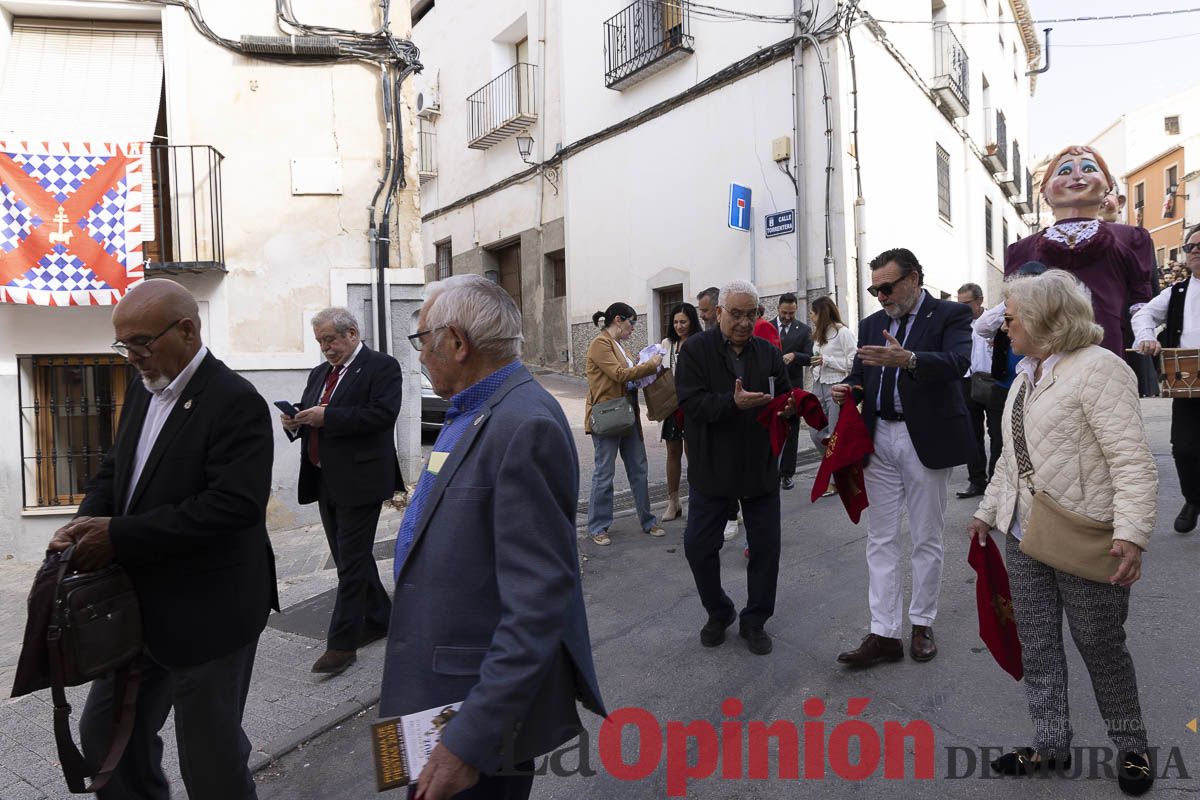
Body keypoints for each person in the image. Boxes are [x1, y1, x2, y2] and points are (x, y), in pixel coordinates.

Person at [48, 280, 277, 799]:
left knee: (210, 759)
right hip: (136, 606)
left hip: (212, 610)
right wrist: (85, 522)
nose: (132, 357)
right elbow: (116, 469)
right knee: (105, 737)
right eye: (124, 345)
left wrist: (119, 536)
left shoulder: (235, 401)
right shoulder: (143, 389)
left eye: (141, 343)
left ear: (188, 330)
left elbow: (233, 508)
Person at [382, 274, 604, 800]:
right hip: (434, 688)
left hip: (471, 715)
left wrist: (469, 742)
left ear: (457, 344)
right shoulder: (472, 409)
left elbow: (538, 603)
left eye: (422, 341)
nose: (418, 357)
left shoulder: (524, 424)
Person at [968, 269, 1156, 796]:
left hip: (1083, 534)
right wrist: (987, 513)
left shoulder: (1100, 369)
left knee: (1100, 644)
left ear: (1044, 319)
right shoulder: (1027, 373)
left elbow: (1131, 460)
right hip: (1025, 535)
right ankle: (1050, 744)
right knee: (1038, 644)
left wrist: (1133, 532)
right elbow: (1012, 459)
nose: (1005, 327)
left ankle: (1131, 746)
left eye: (1011, 318)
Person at [833, 248, 972, 667]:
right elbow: (862, 375)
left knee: (926, 535)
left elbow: (958, 363)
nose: (881, 296)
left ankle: (922, 622)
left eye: (888, 287)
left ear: (913, 278)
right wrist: (848, 388)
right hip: (880, 439)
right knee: (880, 538)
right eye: (875, 289)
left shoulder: (949, 314)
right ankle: (884, 633)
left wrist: (909, 360)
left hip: (923, 438)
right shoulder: (872, 324)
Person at [675, 279, 796, 655]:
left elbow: (785, 398)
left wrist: (790, 410)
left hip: (758, 466)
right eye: (736, 314)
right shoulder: (695, 349)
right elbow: (691, 404)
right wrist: (733, 403)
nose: (744, 322)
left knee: (765, 549)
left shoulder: (768, 353)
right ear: (719, 313)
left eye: (751, 314)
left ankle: (755, 619)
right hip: (712, 466)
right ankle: (719, 610)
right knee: (698, 547)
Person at [281, 307, 404, 675]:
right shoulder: (321, 373)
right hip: (324, 478)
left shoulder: (382, 366)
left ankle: (342, 644)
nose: (325, 348)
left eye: (330, 340)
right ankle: (382, 617)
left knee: (349, 563)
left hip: (362, 480)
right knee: (352, 555)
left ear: (351, 334)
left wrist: (327, 416)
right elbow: (313, 415)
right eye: (320, 341)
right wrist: (296, 420)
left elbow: (382, 415)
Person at [1004, 144, 1154, 358]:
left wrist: (1144, 334)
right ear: (1045, 191)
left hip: (1105, 348)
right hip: (1044, 351)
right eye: (1065, 171)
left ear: (1107, 187)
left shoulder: (1132, 238)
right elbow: (1012, 308)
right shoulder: (1021, 249)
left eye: (1088, 169)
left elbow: (1141, 300)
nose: (1076, 176)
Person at [1133, 223, 1200, 533]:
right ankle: (1193, 498)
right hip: (1187, 381)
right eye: (1191, 247)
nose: (1195, 250)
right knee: (1184, 448)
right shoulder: (1178, 291)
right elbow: (1143, 314)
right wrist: (1147, 337)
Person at [584, 302, 665, 545]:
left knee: (639, 469)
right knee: (604, 472)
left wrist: (652, 370)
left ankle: (648, 521)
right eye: (632, 322)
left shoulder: (620, 346)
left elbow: (630, 377)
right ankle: (598, 526)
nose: (633, 328)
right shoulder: (600, 344)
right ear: (618, 320)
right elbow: (619, 374)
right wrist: (649, 365)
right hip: (608, 415)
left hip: (627, 414)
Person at [974, 262, 1051, 478]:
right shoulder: (1006, 313)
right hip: (1004, 387)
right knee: (1000, 443)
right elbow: (982, 327)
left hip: (1037, 387)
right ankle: (998, 493)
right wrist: (1013, 302)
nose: (1006, 328)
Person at [660, 302, 701, 520]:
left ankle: (697, 498)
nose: (679, 326)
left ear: (692, 321)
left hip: (692, 405)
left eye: (683, 321)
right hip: (671, 405)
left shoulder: (700, 343)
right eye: (675, 322)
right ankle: (673, 501)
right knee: (672, 453)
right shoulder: (667, 343)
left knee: (692, 452)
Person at [956, 283, 994, 499]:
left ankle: (996, 481)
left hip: (991, 381)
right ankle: (976, 481)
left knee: (997, 433)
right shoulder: (958, 325)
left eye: (966, 303)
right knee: (972, 434)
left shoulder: (994, 322)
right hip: (966, 382)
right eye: (959, 303)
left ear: (979, 300)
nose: (962, 308)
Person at [806, 295, 856, 460]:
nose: (811, 316)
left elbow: (853, 363)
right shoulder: (819, 334)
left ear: (821, 314)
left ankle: (836, 472)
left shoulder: (843, 332)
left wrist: (827, 361)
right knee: (815, 432)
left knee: (835, 433)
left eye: (812, 313)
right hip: (818, 385)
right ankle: (831, 464)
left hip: (836, 386)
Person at [773, 293, 814, 490]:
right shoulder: (767, 326)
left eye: (791, 313)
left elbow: (810, 357)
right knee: (770, 427)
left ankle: (787, 474)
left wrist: (795, 355)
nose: (787, 317)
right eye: (784, 313)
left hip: (792, 386)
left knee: (791, 430)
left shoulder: (804, 330)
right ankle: (769, 470)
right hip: (770, 386)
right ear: (778, 309)